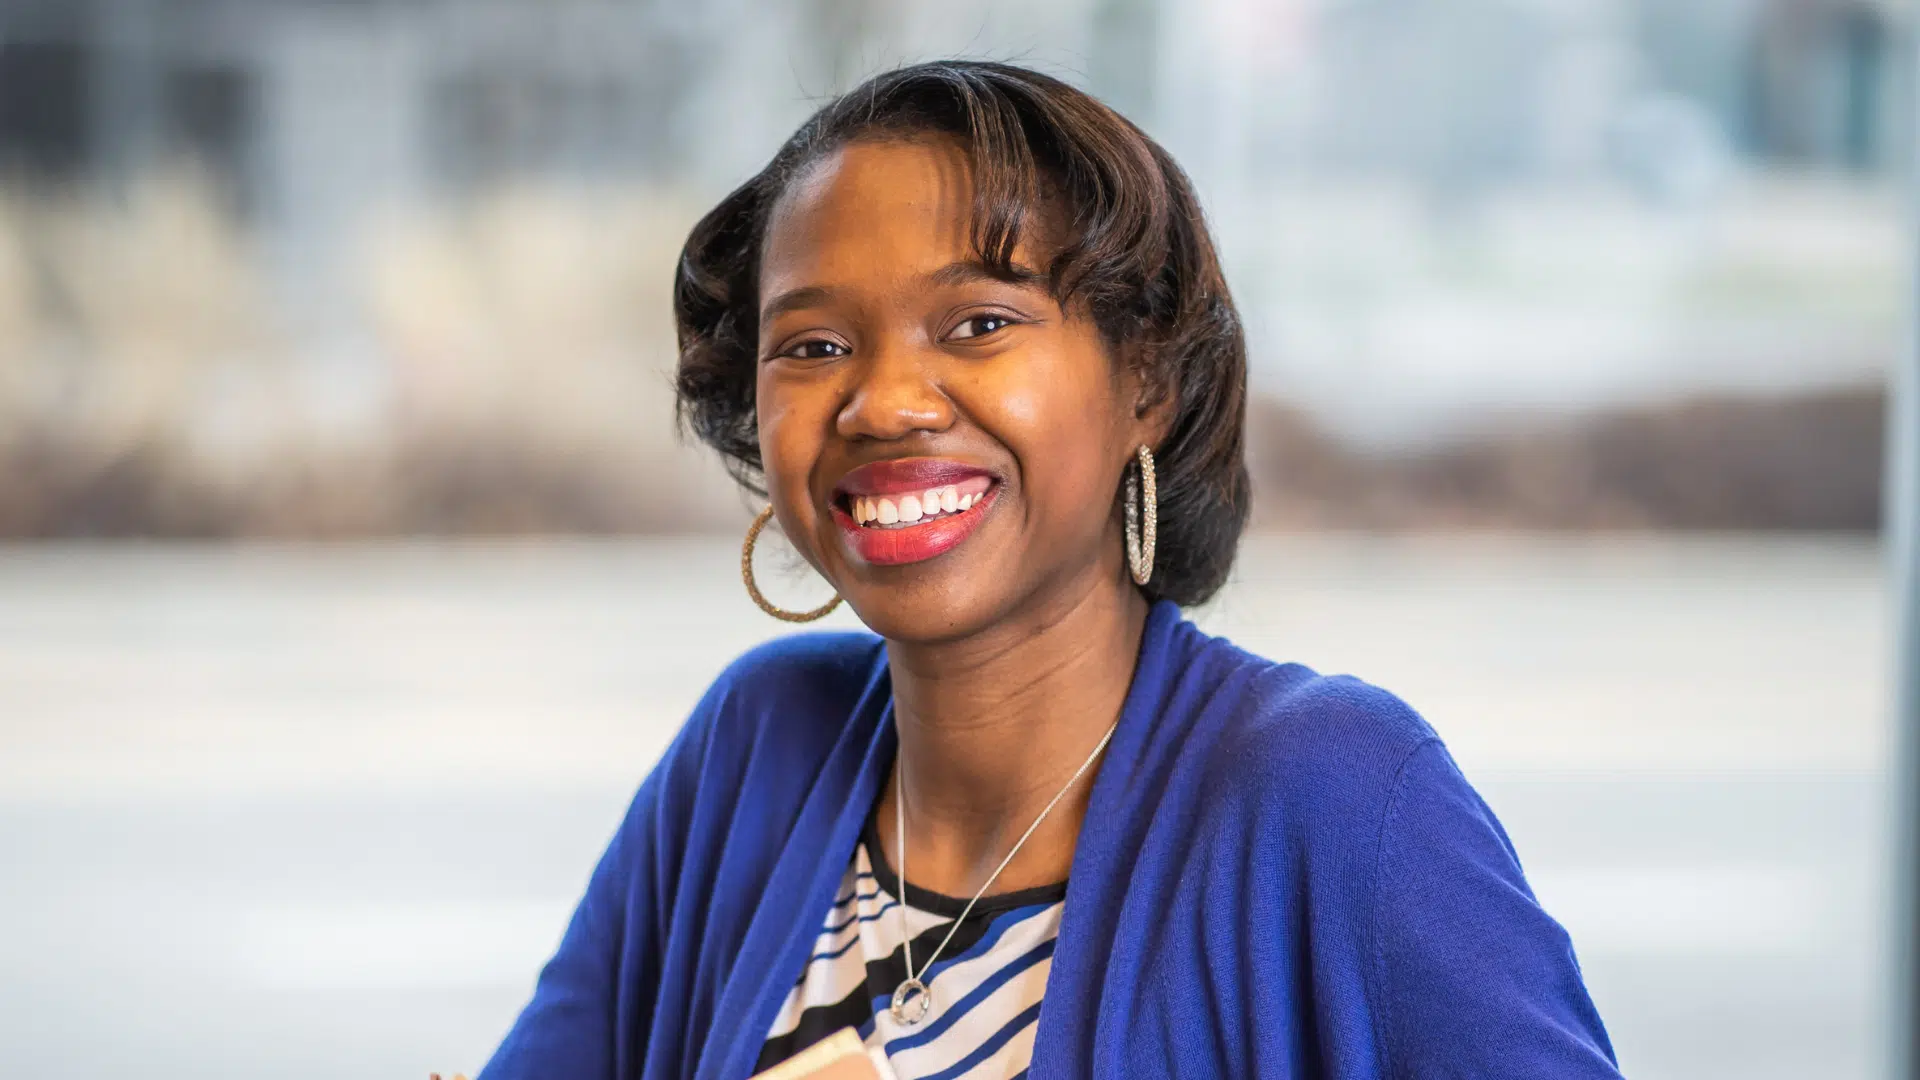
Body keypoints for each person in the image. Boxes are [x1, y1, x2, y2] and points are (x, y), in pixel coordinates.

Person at [478, 60, 1621, 1080]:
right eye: (814, 346)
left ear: (1148, 382)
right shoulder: (752, 750)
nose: (881, 404)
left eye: (977, 323)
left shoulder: (1337, 794)